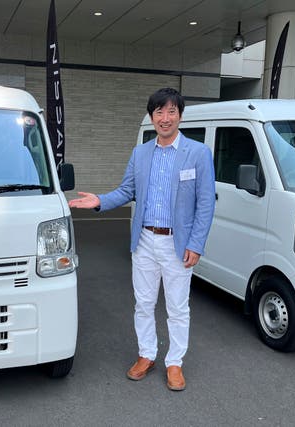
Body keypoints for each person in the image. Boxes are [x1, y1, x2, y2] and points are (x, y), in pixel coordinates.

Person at [68, 87, 215, 391]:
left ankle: (174, 362)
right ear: (151, 117)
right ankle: (147, 354)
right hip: (145, 241)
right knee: (144, 303)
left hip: (178, 244)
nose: (165, 118)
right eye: (159, 112)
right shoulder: (141, 153)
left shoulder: (198, 153)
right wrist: (99, 201)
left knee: (177, 307)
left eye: (171, 111)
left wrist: (196, 244)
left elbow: (206, 204)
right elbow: (126, 191)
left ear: (180, 116)